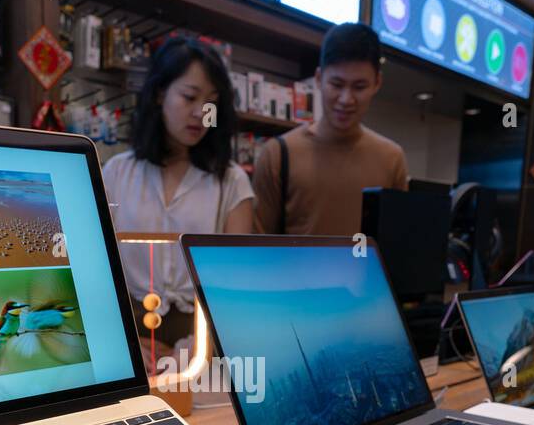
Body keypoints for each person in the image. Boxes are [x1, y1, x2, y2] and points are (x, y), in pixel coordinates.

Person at [102, 37, 253, 354]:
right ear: (159, 94)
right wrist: (125, 342)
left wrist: (193, 352)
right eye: (189, 97)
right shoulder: (117, 173)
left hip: (202, 341)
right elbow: (97, 269)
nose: (201, 112)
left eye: (211, 101)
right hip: (126, 332)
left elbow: (235, 288)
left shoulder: (231, 181)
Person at [253, 23, 408, 235]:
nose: (346, 99)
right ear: (319, 79)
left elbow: (395, 243)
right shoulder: (278, 155)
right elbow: (257, 248)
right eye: (336, 84)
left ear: (377, 83)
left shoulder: (392, 159)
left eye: (359, 87)